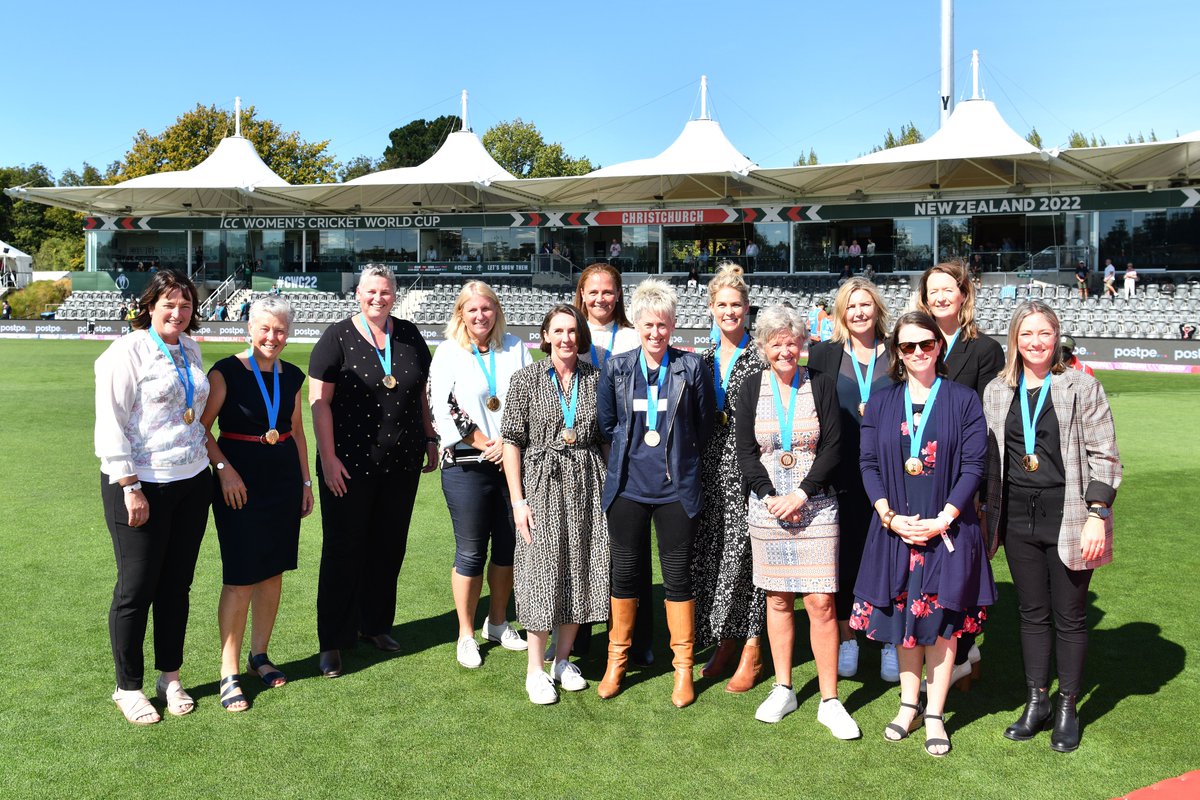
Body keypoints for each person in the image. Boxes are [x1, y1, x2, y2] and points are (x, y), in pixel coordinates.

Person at [851, 310, 996, 757]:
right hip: (896, 531)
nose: (918, 353)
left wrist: (945, 517)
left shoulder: (963, 400)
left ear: (939, 347)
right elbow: (869, 464)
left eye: (926, 344)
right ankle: (907, 705)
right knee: (905, 624)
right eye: (908, 346)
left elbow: (975, 465)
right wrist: (889, 516)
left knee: (942, 626)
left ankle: (935, 712)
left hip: (947, 531)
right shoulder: (880, 401)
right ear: (896, 352)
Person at [983, 301, 1121, 753]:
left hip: (1073, 513)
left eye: (1044, 333)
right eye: (1026, 335)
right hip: (1018, 514)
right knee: (1031, 613)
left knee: (1070, 615)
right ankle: (1036, 701)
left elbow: (1105, 455)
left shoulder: (1081, 386)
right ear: (1014, 341)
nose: (1036, 342)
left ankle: (1067, 707)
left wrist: (1098, 513)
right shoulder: (998, 391)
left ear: (1057, 337)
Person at [734, 305, 860, 738]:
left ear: (802, 344)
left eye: (792, 341)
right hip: (768, 510)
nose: (785, 349)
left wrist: (801, 493)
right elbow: (746, 452)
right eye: (776, 343)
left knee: (821, 603)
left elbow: (833, 447)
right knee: (777, 600)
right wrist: (770, 497)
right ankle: (784, 687)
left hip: (817, 506)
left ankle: (829, 699)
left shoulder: (821, 385)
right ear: (765, 347)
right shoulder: (752, 387)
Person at [308, 265, 438, 678]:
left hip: (401, 464)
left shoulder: (409, 334)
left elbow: (422, 391)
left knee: (388, 547)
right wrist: (328, 459)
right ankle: (332, 641)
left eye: (385, 292)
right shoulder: (337, 337)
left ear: (394, 295)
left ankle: (375, 625)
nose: (378, 298)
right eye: (370, 292)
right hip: (348, 464)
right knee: (344, 551)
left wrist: (431, 437)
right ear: (358, 295)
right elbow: (319, 402)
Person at [94, 270, 212, 725]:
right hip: (140, 485)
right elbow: (110, 420)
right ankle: (128, 688)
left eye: (185, 305)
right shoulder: (128, 350)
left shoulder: (191, 347)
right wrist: (129, 485)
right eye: (169, 304)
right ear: (149, 306)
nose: (177, 313)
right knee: (136, 589)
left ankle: (170, 676)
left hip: (190, 480)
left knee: (176, 587)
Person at [596, 278, 715, 707]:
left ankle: (682, 668)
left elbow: (701, 428)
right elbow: (607, 426)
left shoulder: (692, 367)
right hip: (627, 488)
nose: (655, 333)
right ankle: (617, 661)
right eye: (648, 325)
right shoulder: (616, 367)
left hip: (675, 490)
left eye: (663, 325)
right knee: (625, 573)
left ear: (674, 324)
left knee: (677, 576)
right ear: (636, 324)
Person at [200, 296, 314, 712]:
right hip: (238, 484)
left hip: (282, 480)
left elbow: (297, 433)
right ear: (249, 329)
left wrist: (305, 481)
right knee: (240, 576)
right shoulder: (225, 371)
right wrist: (224, 470)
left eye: (280, 330)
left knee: (273, 572)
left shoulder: (293, 375)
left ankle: (259, 656)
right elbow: (202, 428)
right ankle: (228, 671)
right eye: (265, 328)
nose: (272, 337)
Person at [501, 305, 610, 704]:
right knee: (541, 570)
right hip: (541, 484)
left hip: (588, 482)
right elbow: (512, 440)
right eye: (558, 331)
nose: (566, 338)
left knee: (580, 566)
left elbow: (605, 438)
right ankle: (535, 668)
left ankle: (562, 661)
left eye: (573, 331)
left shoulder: (597, 379)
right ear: (545, 335)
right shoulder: (525, 379)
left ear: (581, 337)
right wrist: (517, 500)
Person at [430, 280, 532, 669]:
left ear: (496, 310)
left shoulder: (516, 347)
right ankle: (466, 634)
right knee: (471, 551)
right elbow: (442, 405)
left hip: (511, 461)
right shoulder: (448, 352)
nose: (480, 316)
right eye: (472, 310)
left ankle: (499, 622)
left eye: (486, 308)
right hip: (466, 465)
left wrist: (505, 441)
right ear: (461, 313)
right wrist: (483, 440)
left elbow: (527, 399)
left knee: (508, 548)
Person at [913, 260, 1004, 687]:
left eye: (948, 289)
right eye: (933, 291)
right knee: (926, 572)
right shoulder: (915, 340)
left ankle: (964, 652)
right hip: (919, 477)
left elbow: (988, 424)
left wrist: (982, 492)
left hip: (963, 480)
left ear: (964, 295)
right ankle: (946, 651)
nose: (940, 297)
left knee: (961, 571)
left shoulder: (984, 349)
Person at [806, 278, 898, 684]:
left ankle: (892, 641)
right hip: (839, 474)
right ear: (840, 313)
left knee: (891, 558)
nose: (859, 312)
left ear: (877, 308)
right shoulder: (824, 355)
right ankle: (847, 640)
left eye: (865, 304)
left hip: (891, 472)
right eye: (851, 306)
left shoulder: (898, 351)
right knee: (840, 561)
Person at [692, 264, 768, 693]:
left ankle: (753, 647)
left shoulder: (761, 357)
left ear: (746, 308)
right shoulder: (700, 361)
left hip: (749, 468)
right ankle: (725, 639)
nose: (729, 311)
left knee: (751, 557)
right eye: (721, 304)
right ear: (710, 309)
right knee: (716, 553)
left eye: (735, 305)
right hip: (707, 469)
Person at [572, 263, 650, 663]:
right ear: (581, 294)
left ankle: (638, 639)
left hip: (630, 455)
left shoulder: (636, 336)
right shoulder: (569, 333)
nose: (600, 298)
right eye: (593, 291)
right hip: (580, 455)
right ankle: (576, 639)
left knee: (631, 548)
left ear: (619, 295)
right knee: (581, 547)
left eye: (608, 291)